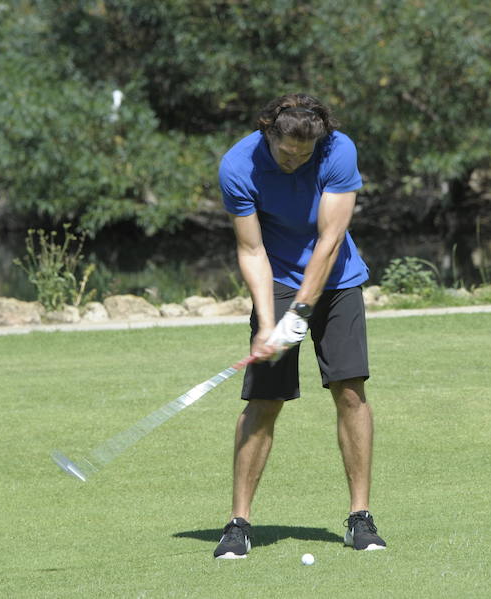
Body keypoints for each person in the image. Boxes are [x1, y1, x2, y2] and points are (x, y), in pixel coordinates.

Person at [213, 93, 386, 559]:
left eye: (303, 154)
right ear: (268, 132)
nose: (294, 160)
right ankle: (238, 523)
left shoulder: (338, 150)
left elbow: (330, 240)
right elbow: (251, 251)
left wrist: (301, 313)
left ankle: (359, 517)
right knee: (264, 400)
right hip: (277, 280)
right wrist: (268, 321)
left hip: (338, 280)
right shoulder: (238, 165)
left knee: (350, 390)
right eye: (286, 151)